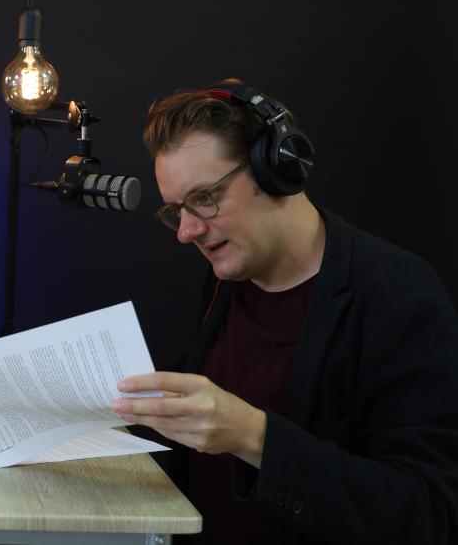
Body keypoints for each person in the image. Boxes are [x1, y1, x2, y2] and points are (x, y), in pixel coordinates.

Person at [111, 82, 458, 544]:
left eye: (205, 198)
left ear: (276, 169)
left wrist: (255, 436)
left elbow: (430, 513)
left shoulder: (399, 298)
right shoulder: (227, 280)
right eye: (176, 211)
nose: (187, 231)